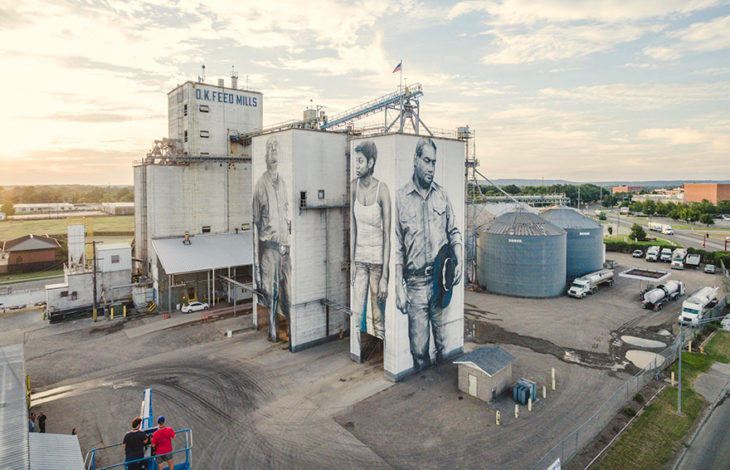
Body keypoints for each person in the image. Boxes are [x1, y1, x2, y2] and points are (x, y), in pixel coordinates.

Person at [395, 137, 462, 371]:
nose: (431, 168)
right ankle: (422, 388)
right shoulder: (400, 199)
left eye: (434, 162)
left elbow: (454, 232)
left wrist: (459, 259)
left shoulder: (442, 196)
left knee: (443, 344)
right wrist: (398, 288)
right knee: (420, 350)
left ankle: (445, 386)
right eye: (426, 161)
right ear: (415, 160)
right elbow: (396, 248)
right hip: (415, 286)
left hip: (440, 282)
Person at [253, 136, 292, 342]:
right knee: (272, 293)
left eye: (277, 148)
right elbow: (255, 224)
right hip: (268, 248)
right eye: (271, 149)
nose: (274, 152)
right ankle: (273, 332)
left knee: (288, 294)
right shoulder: (260, 185)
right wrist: (257, 267)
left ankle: (293, 331)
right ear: (266, 157)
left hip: (285, 248)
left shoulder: (284, 184)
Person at [351, 140, 391, 341]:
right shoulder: (353, 188)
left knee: (378, 316)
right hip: (359, 261)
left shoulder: (382, 190)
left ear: (371, 162)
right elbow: (353, 229)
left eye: (360, 161)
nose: (356, 166)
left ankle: (383, 355)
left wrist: (385, 276)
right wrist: (351, 263)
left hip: (377, 263)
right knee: (357, 313)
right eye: (355, 161)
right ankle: (358, 352)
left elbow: (387, 236)